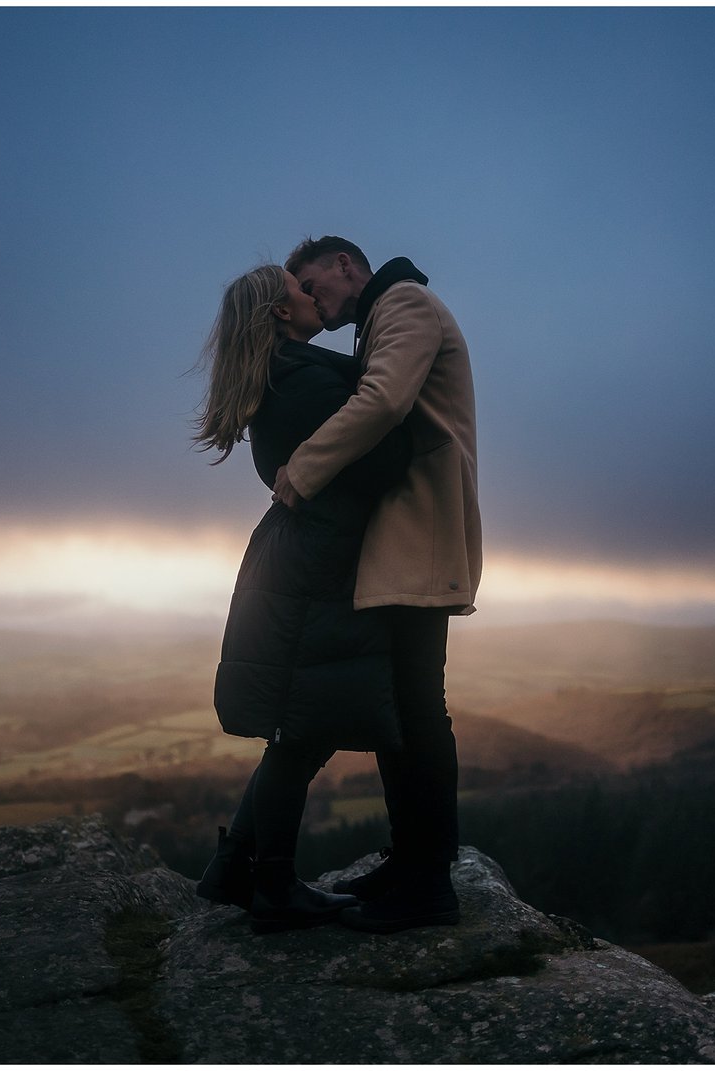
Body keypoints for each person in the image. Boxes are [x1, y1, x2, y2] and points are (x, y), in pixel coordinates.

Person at [192, 263, 413, 935]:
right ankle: (275, 886)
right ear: (280, 313)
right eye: (297, 286)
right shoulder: (305, 379)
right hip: (315, 565)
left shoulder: (283, 375)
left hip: (299, 557)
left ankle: (235, 866)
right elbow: (384, 459)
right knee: (300, 727)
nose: (310, 292)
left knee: (301, 724)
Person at [274, 236, 480, 934]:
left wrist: (300, 471)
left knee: (418, 711)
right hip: (406, 534)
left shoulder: (405, 304)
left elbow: (385, 398)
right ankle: (414, 863)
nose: (310, 298)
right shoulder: (384, 315)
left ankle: (428, 883)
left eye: (311, 282)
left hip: (419, 531)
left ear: (344, 265)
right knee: (403, 710)